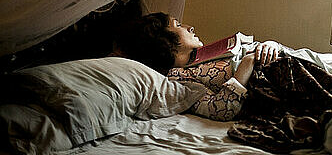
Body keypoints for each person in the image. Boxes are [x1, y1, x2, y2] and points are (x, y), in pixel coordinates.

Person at [112, 12, 281, 121]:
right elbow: (219, 109)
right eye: (178, 25)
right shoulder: (177, 78)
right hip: (272, 75)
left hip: (280, 58)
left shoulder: (199, 58)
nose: (190, 27)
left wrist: (271, 44)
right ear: (164, 42)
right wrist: (247, 64)